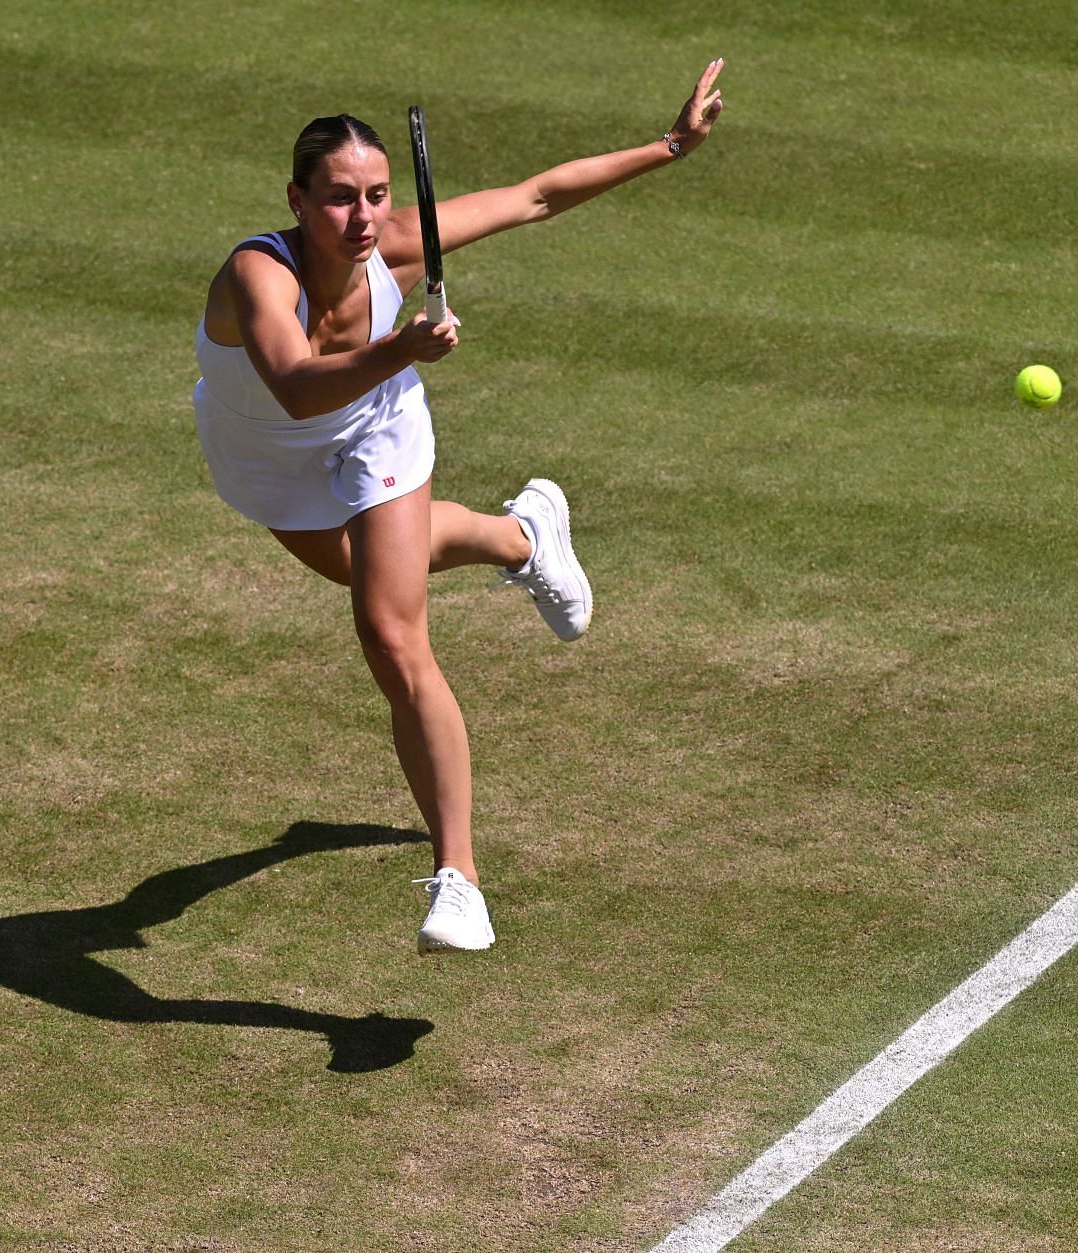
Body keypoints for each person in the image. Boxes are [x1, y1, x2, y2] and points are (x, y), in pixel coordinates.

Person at [192, 61, 727, 953]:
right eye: (336, 198)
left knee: (391, 631)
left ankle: (459, 879)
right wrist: (402, 344)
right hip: (269, 451)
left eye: (375, 195)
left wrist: (671, 145)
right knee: (364, 569)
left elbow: (536, 198)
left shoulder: (395, 245)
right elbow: (290, 385)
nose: (360, 217)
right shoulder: (257, 274)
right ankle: (524, 535)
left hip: (377, 433)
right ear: (295, 197)